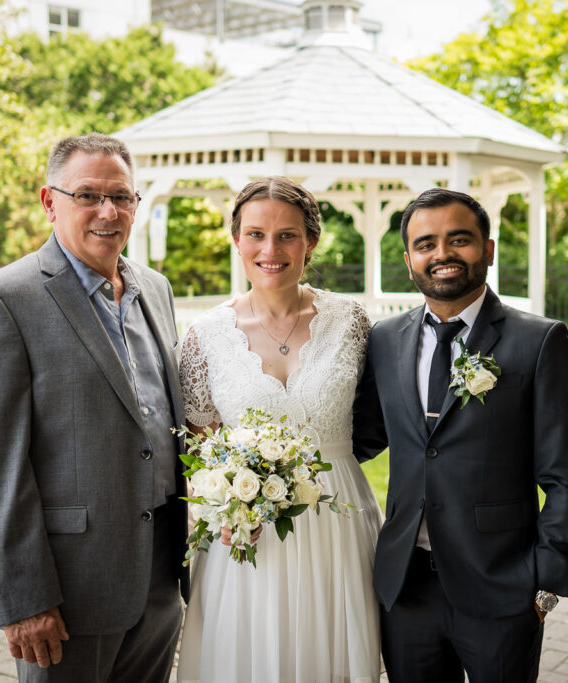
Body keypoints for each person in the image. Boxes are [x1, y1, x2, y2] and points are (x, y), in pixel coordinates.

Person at [0, 133, 188, 682]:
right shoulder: (3, 299)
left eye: (122, 196)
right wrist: (23, 598)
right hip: (66, 592)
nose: (109, 211)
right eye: (88, 195)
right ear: (48, 201)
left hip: (158, 579)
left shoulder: (155, 289)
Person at [352, 187, 568, 682]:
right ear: (408, 259)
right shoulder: (383, 339)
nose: (441, 254)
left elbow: (567, 473)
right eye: (426, 244)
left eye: (458, 239)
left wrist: (546, 580)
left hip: (502, 587)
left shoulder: (539, 341)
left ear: (487, 249)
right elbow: (360, 437)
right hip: (406, 586)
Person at [176, 177, 382, 683]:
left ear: (310, 242)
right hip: (246, 531)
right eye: (255, 234)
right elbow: (200, 444)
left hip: (337, 519)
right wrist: (222, 505)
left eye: (287, 235)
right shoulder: (205, 336)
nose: (271, 250)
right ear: (237, 240)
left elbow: (378, 418)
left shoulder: (352, 321)